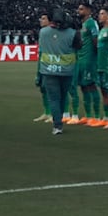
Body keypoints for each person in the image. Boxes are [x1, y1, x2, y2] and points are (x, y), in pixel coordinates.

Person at [38, 7, 82, 135]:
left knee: (54, 99)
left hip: (48, 70)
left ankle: (57, 125)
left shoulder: (43, 32)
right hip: (67, 70)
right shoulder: (73, 33)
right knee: (63, 97)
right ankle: (60, 120)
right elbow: (79, 46)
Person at [69, 2, 101, 125]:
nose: (79, 11)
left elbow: (95, 42)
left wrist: (95, 59)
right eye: (78, 8)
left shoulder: (92, 23)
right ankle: (88, 116)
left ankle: (97, 117)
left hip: (89, 60)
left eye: (81, 9)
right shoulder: (83, 25)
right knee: (83, 87)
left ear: (88, 11)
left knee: (91, 86)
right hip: (81, 59)